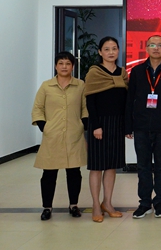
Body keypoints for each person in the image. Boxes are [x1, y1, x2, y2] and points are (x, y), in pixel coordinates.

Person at [125, 35, 161, 219]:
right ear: (146, 48)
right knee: (143, 166)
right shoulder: (137, 71)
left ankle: (159, 203)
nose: (156, 48)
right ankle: (144, 203)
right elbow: (130, 99)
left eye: (160, 45)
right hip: (140, 126)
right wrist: (128, 126)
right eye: (152, 45)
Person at [31, 51, 88, 221]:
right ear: (56, 66)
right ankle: (47, 207)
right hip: (52, 135)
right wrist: (44, 126)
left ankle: (73, 205)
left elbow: (85, 107)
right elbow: (38, 108)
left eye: (68, 63)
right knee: (49, 173)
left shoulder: (80, 85)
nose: (64, 67)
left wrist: (83, 124)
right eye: (61, 63)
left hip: (73, 134)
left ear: (73, 66)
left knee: (74, 172)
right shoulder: (46, 86)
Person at [84, 36, 129, 223]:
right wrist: (95, 125)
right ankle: (96, 204)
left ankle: (107, 203)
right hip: (99, 124)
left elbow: (125, 101)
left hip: (117, 124)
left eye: (114, 48)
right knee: (96, 166)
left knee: (111, 166)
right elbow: (90, 101)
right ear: (100, 52)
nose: (111, 52)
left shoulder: (122, 73)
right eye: (107, 49)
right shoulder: (94, 72)